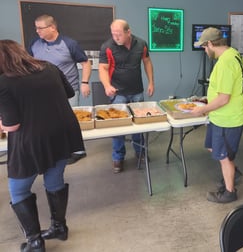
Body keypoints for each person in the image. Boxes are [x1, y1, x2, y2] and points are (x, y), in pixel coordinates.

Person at [0, 40, 84, 252]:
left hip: (30, 140)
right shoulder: (50, 67)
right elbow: (69, 94)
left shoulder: (4, 82)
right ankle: (59, 228)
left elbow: (11, 126)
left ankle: (35, 242)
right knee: (54, 179)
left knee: (18, 190)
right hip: (62, 133)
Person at [190, 27, 243, 203]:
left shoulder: (225, 63)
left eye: (204, 47)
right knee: (212, 147)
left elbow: (224, 98)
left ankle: (229, 192)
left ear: (210, 44)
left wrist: (202, 110)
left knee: (223, 157)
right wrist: (207, 100)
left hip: (227, 120)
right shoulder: (235, 55)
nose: (204, 50)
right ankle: (233, 171)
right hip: (220, 118)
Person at [29, 14, 91, 164]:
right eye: (36, 28)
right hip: (42, 92)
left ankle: (78, 150)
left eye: (40, 28)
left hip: (68, 90)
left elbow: (85, 63)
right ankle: (58, 150)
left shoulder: (69, 44)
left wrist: (84, 82)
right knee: (49, 122)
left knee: (69, 121)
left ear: (52, 27)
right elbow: (29, 64)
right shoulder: (34, 44)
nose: (38, 31)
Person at [99, 19, 154, 173]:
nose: (115, 38)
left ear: (128, 32)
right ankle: (118, 158)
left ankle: (140, 152)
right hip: (118, 94)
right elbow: (103, 68)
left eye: (119, 35)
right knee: (119, 128)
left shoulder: (141, 44)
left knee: (139, 125)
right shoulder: (107, 47)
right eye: (113, 34)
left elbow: (147, 62)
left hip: (137, 92)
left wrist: (151, 82)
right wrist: (107, 85)